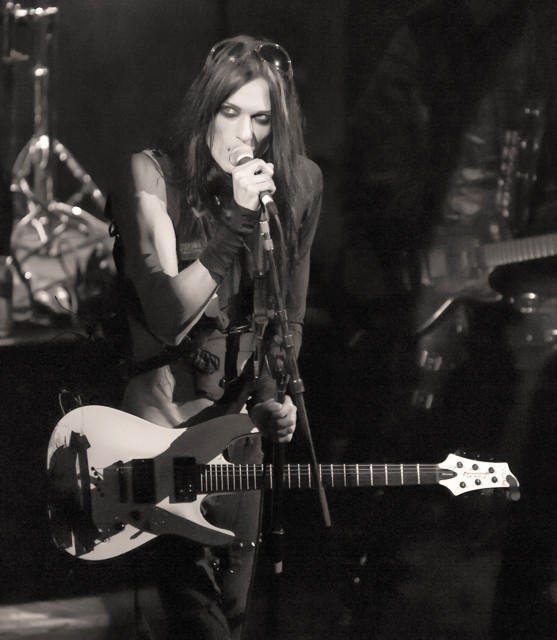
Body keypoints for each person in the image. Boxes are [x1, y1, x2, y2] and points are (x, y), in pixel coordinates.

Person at [336, 1, 557, 638]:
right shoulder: (425, 39)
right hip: (421, 291)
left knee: (491, 476)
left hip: (503, 293)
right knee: (403, 463)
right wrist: (411, 252)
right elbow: (372, 157)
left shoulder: (542, 40)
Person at [105, 35, 322, 640]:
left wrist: (275, 395)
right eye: (231, 112)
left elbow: (288, 314)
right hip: (163, 433)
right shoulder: (154, 175)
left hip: (240, 433)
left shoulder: (300, 182)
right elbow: (167, 314)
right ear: (207, 108)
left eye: (261, 119)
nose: (245, 134)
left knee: (233, 613)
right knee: (196, 617)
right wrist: (234, 219)